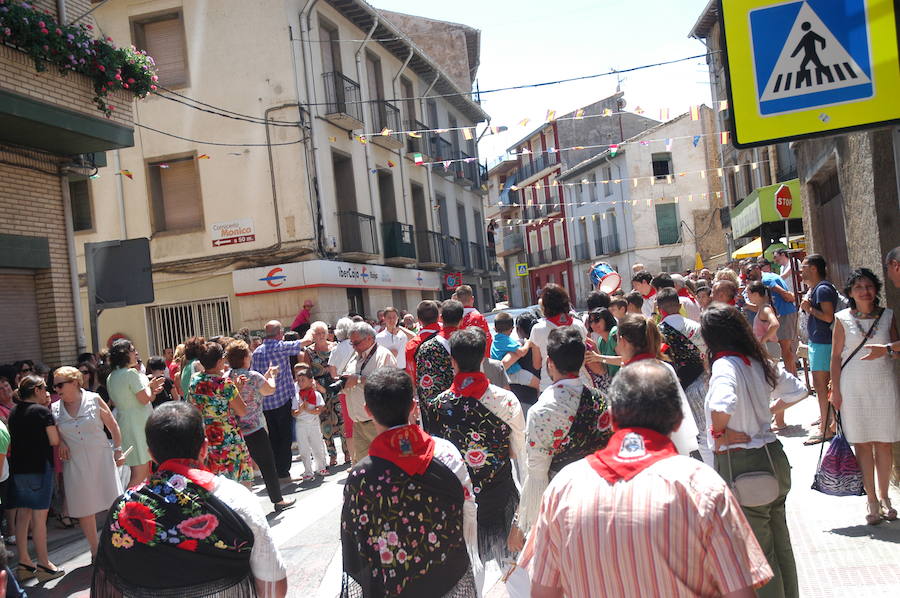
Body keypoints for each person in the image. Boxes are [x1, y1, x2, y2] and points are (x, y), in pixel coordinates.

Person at [519, 360, 773, 598]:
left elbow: (543, 591)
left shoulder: (563, 487)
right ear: (677, 420)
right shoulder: (702, 485)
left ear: (611, 418)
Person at [91, 402, 288, 598]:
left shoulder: (123, 509)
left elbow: (109, 584)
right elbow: (272, 581)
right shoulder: (237, 499)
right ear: (204, 447)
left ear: (151, 454)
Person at [340, 368, 481, 598]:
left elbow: (355, 542)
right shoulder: (446, 454)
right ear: (414, 405)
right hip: (449, 578)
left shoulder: (361, 475)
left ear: (368, 411)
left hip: (391, 585)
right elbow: (468, 510)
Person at [702, 304, 808, 598]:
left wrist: (719, 432)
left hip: (743, 465)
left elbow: (721, 404)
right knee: (781, 544)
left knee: (761, 554)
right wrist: (772, 410)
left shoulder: (725, 365)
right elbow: (799, 390)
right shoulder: (758, 361)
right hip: (773, 457)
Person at [425, 328, 525, 564]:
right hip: (501, 493)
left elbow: (438, 456)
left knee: (468, 573)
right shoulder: (506, 400)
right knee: (513, 568)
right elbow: (516, 449)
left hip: (459, 500)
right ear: (483, 357)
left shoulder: (438, 405)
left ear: (452, 361)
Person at [509, 327, 612, 554]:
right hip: (601, 495)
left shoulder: (542, 411)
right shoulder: (602, 401)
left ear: (550, 364)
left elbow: (536, 474)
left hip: (564, 500)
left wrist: (522, 524)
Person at [829, 269, 899, 524]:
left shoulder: (888, 315)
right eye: (858, 287)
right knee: (862, 444)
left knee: (884, 442)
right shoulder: (841, 318)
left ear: (876, 289)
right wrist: (835, 391)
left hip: (883, 384)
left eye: (869, 286)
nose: (864, 291)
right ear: (850, 292)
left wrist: (887, 352)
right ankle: (871, 500)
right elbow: (835, 357)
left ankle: (885, 497)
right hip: (853, 386)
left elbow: (897, 349)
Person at [594, 314, 700, 455]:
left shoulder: (629, 373)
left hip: (647, 449)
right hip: (673, 445)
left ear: (623, 341)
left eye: (617, 341)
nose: (617, 347)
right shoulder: (663, 366)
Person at [51, 366, 124, 559]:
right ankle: (95, 548)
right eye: (54, 385)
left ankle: (118, 543)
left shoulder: (94, 399)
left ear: (74, 382)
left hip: (101, 457)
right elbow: (55, 432)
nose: (56, 389)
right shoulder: (55, 408)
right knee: (84, 508)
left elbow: (113, 425)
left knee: (113, 502)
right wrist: (62, 443)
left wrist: (118, 449)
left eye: (60, 384)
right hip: (75, 463)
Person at [225, 340, 294, 513]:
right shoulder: (254, 376)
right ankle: (278, 500)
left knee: (238, 468)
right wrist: (271, 374)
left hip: (234, 430)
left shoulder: (226, 378)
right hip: (254, 428)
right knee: (267, 464)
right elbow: (269, 390)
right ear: (245, 358)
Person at [9, 375, 65, 582]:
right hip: (39, 468)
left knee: (23, 516)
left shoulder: (14, 412)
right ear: (37, 390)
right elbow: (54, 440)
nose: (47, 391)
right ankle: (44, 564)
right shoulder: (42, 412)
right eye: (44, 388)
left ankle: (24, 562)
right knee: (39, 519)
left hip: (19, 469)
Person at [187, 342, 252, 483]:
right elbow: (242, 411)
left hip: (207, 437)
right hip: (227, 437)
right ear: (219, 361)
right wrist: (237, 390)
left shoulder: (195, 380)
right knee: (240, 481)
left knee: (215, 483)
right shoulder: (224, 383)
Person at [252, 321, 306, 480]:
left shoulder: (257, 352)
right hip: (282, 400)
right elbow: (305, 341)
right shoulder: (280, 347)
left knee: (273, 438)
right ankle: (283, 472)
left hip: (265, 402)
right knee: (285, 437)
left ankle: (277, 471)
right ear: (279, 334)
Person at [107, 339, 164, 487]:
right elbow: (145, 399)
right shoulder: (130, 373)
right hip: (138, 425)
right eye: (132, 350)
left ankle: (132, 505)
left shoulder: (111, 376)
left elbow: (145, 398)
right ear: (124, 354)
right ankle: (125, 506)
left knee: (141, 472)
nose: (135, 353)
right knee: (140, 473)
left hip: (126, 423)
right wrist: (150, 388)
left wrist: (151, 389)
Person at [341, 322, 396, 462]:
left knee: (386, 462)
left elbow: (386, 383)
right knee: (361, 467)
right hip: (358, 423)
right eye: (351, 343)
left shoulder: (383, 355)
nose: (354, 347)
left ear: (370, 338)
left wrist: (359, 380)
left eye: (356, 343)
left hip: (377, 422)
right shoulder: (355, 355)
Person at [799, 254, 838, 445]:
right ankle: (827, 422)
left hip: (824, 343)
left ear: (813, 268)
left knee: (822, 386)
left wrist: (809, 309)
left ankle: (826, 429)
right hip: (819, 342)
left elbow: (829, 317)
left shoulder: (822, 289)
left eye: (804, 266)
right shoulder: (817, 288)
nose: (801, 270)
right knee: (822, 386)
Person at [301, 321, 346, 467]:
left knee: (342, 419)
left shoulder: (334, 346)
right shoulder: (309, 351)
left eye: (323, 333)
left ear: (327, 333)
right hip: (320, 389)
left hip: (335, 386)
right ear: (313, 335)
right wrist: (314, 386)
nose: (320, 336)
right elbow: (307, 371)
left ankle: (347, 452)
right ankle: (332, 455)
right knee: (325, 422)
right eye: (317, 333)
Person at [530, 283, 590, 390]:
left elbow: (536, 364)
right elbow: (584, 358)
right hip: (580, 384)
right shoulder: (578, 325)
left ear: (544, 306)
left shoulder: (537, 329)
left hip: (550, 386)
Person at [747, 262, 798, 380]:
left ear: (757, 268)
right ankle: (794, 377)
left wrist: (790, 298)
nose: (748, 274)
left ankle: (792, 379)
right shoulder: (765, 280)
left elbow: (782, 293)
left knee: (786, 349)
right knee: (787, 349)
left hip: (785, 312)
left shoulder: (766, 279)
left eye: (749, 271)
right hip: (783, 312)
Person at [415, 300, 463, 425]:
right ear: (461, 319)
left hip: (437, 416)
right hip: (467, 410)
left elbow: (424, 387)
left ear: (441, 318)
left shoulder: (426, 347)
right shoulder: (470, 342)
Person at [291, 365, 327, 481]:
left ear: (311, 380)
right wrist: (301, 409)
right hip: (301, 424)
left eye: (303, 380)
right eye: (299, 380)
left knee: (317, 445)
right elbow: (293, 413)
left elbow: (320, 409)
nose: (300, 383)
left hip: (313, 423)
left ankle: (321, 466)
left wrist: (309, 410)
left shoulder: (316, 395)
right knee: (304, 448)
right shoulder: (296, 397)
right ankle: (307, 470)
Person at [491, 312, 539, 390]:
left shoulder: (494, 342)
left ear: (494, 329)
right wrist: (528, 343)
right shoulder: (507, 340)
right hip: (514, 372)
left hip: (502, 377)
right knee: (539, 384)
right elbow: (522, 352)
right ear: (512, 329)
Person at [404, 300, 441, 382]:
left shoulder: (412, 345)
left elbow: (411, 374)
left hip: (425, 391)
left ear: (418, 320)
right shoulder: (451, 336)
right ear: (438, 317)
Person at [583, 307, 619, 392]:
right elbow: (604, 369)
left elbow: (624, 360)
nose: (593, 324)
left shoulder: (614, 333)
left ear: (607, 319)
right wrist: (594, 347)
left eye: (597, 320)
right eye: (591, 321)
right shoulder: (600, 341)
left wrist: (598, 357)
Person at [456, 285, 493, 358]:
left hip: (459, 360)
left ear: (457, 299)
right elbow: (487, 340)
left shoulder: (454, 316)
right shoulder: (478, 317)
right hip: (478, 361)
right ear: (472, 299)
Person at [748, 281, 781, 355]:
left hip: (768, 348)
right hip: (768, 348)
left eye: (748, 293)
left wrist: (762, 340)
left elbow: (775, 324)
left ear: (756, 294)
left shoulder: (765, 309)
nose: (747, 296)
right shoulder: (762, 308)